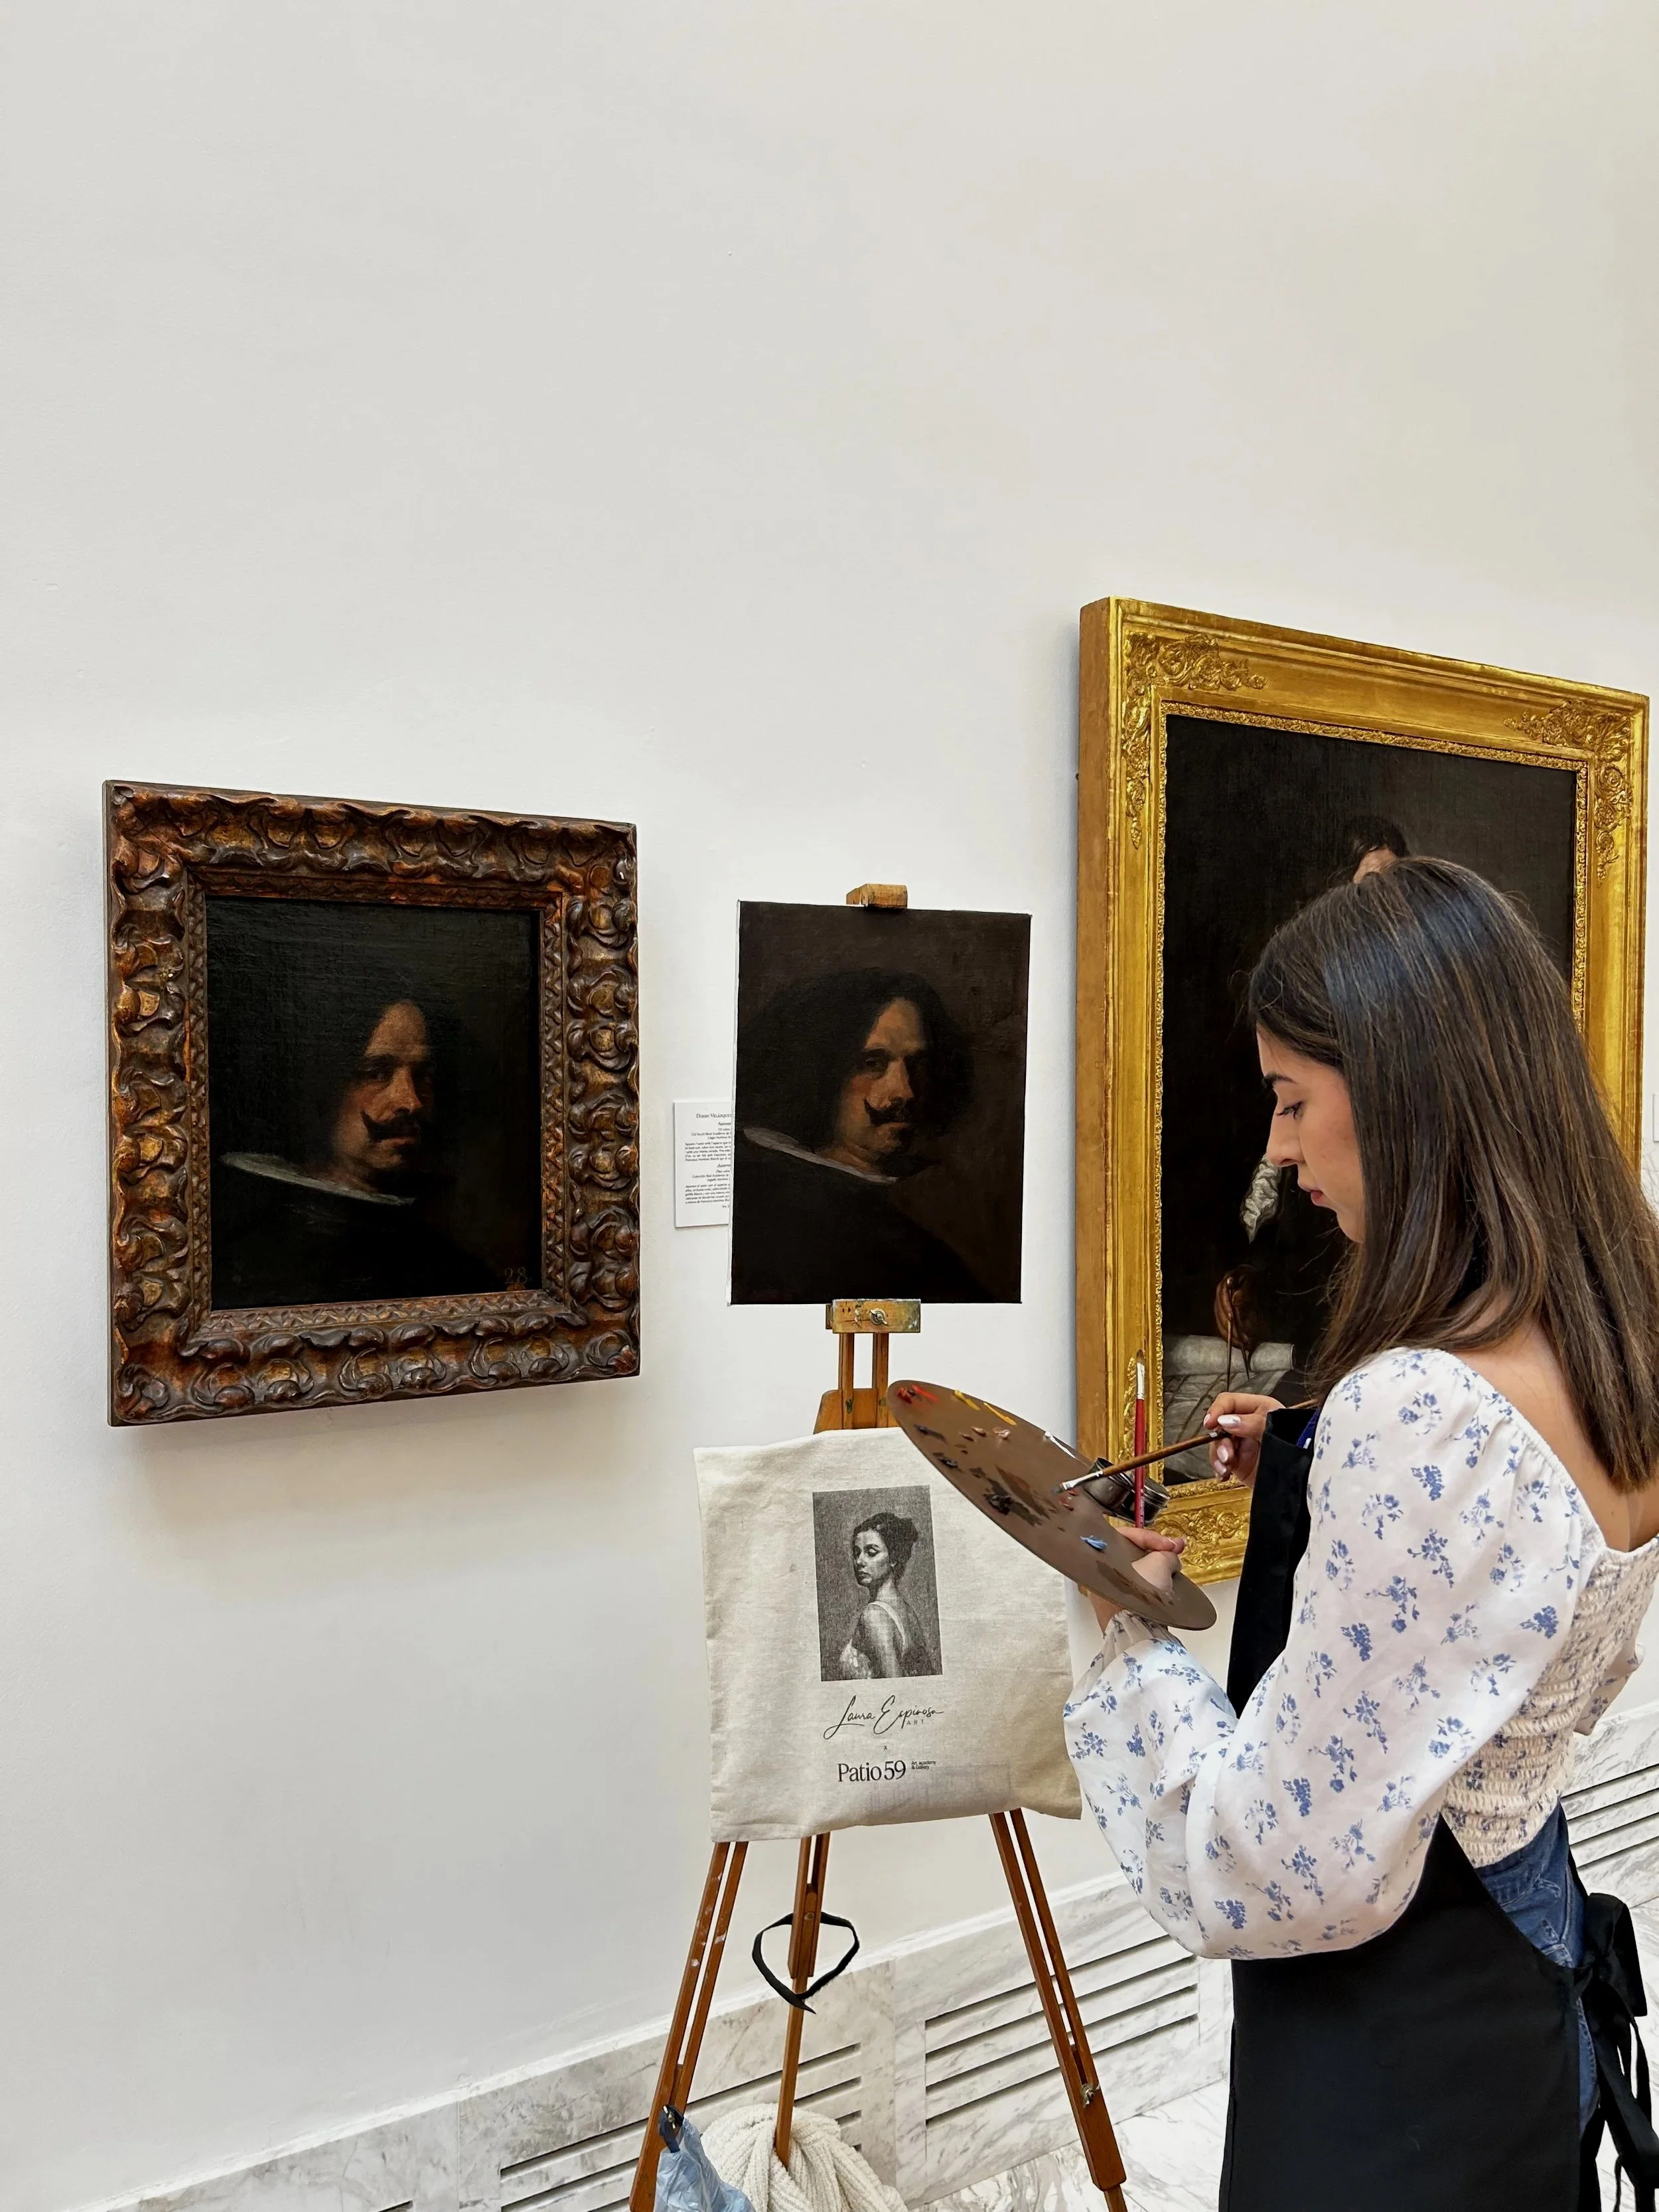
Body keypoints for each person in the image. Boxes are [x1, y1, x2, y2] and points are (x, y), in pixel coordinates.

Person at [1065, 857, 1659, 2209]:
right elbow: (1513, 1576)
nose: (1277, 1147)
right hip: (1524, 1956)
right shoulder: (1618, 1324)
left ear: (1399, 1090)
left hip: (1395, 2053)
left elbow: (1269, 1864)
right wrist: (1317, 1454)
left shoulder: (1424, 1409)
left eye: (1289, 1099)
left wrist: (1123, 1618)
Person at [212, 989, 500, 1307]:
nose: (412, 1101)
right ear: (319, 1087)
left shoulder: (461, 1274)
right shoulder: (246, 1263)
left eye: (422, 1075)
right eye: (377, 1073)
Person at [731, 968, 988, 1301]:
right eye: (872, 1064)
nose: (905, 1092)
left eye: (915, 1065)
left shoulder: (906, 1231)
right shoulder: (778, 1217)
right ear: (816, 1072)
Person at [835, 1511, 938, 1678]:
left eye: (871, 1552)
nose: (860, 1561)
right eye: (856, 1553)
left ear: (894, 1558)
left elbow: (895, 1687)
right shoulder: (907, 1611)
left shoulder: (873, 1615)